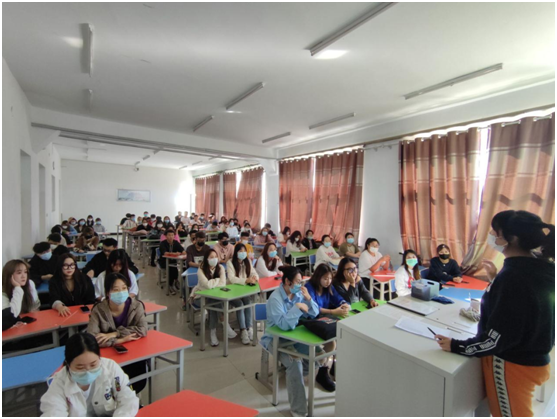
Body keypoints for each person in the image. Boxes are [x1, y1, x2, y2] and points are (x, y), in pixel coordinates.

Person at [435, 210, 555, 417]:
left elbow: (498, 337)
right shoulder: (540, 266)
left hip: (513, 364)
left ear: (510, 238)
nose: (491, 236)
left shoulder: (513, 277)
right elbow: (521, 308)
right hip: (534, 355)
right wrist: (495, 279)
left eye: (495, 232)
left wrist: (457, 345)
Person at [260, 266, 319, 417]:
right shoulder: (275, 298)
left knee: (319, 353)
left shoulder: (298, 294)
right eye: (298, 282)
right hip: (275, 338)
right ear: (287, 281)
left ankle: (294, 378)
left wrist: (309, 299)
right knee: (295, 362)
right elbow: (283, 325)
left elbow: (314, 313)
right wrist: (297, 308)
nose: (300, 285)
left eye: (301, 282)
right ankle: (299, 411)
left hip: (294, 336)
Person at [40, 332, 139, 416]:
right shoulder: (59, 383)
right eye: (80, 367)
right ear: (68, 364)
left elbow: (128, 400)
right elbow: (53, 412)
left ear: (99, 358)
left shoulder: (110, 368)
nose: (88, 371)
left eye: (93, 364)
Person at [87, 272, 148, 393]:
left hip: (133, 353)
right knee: (110, 386)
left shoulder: (136, 306)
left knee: (137, 381)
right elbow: (91, 338)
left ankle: (130, 397)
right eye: (116, 290)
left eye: (124, 288)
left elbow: (143, 329)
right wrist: (120, 340)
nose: (121, 292)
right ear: (108, 293)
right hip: (108, 358)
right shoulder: (98, 310)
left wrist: (115, 334)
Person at [304, 264, 350, 391]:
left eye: (330, 278)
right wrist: (333, 312)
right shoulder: (309, 287)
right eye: (325, 278)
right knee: (332, 343)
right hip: (310, 320)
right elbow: (313, 309)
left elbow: (337, 298)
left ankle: (333, 368)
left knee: (341, 337)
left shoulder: (329, 287)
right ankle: (322, 372)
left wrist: (344, 304)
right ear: (318, 277)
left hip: (324, 319)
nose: (328, 281)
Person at [190, 249, 236, 346]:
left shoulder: (220, 268)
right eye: (211, 257)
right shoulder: (201, 269)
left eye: (215, 257)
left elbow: (223, 284)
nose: (214, 259)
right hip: (199, 297)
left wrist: (213, 283)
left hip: (215, 296)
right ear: (206, 259)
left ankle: (213, 331)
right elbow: (207, 285)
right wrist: (217, 280)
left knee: (214, 303)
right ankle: (224, 324)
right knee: (214, 303)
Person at [226, 244, 259, 345]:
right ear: (236, 252)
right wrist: (246, 280)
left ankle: (249, 328)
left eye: (244, 251)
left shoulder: (247, 261)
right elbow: (232, 279)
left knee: (248, 301)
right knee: (240, 304)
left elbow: (254, 273)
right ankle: (243, 330)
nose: (243, 253)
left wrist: (254, 278)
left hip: (243, 290)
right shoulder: (230, 262)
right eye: (240, 251)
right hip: (232, 291)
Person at [2, 259, 40, 330]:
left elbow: (35, 306)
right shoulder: (2, 293)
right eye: (19, 273)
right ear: (9, 275)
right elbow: (12, 314)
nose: (23, 276)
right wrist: (17, 288)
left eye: (25, 272)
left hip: (28, 325)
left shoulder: (30, 284)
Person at [159, 230, 185, 295]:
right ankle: (170, 285)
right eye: (169, 235)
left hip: (173, 261)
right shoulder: (163, 243)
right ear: (166, 236)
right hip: (164, 261)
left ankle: (175, 281)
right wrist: (174, 254)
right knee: (171, 269)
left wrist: (184, 252)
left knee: (175, 268)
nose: (171, 237)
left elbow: (182, 250)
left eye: (172, 235)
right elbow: (165, 253)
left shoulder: (176, 242)